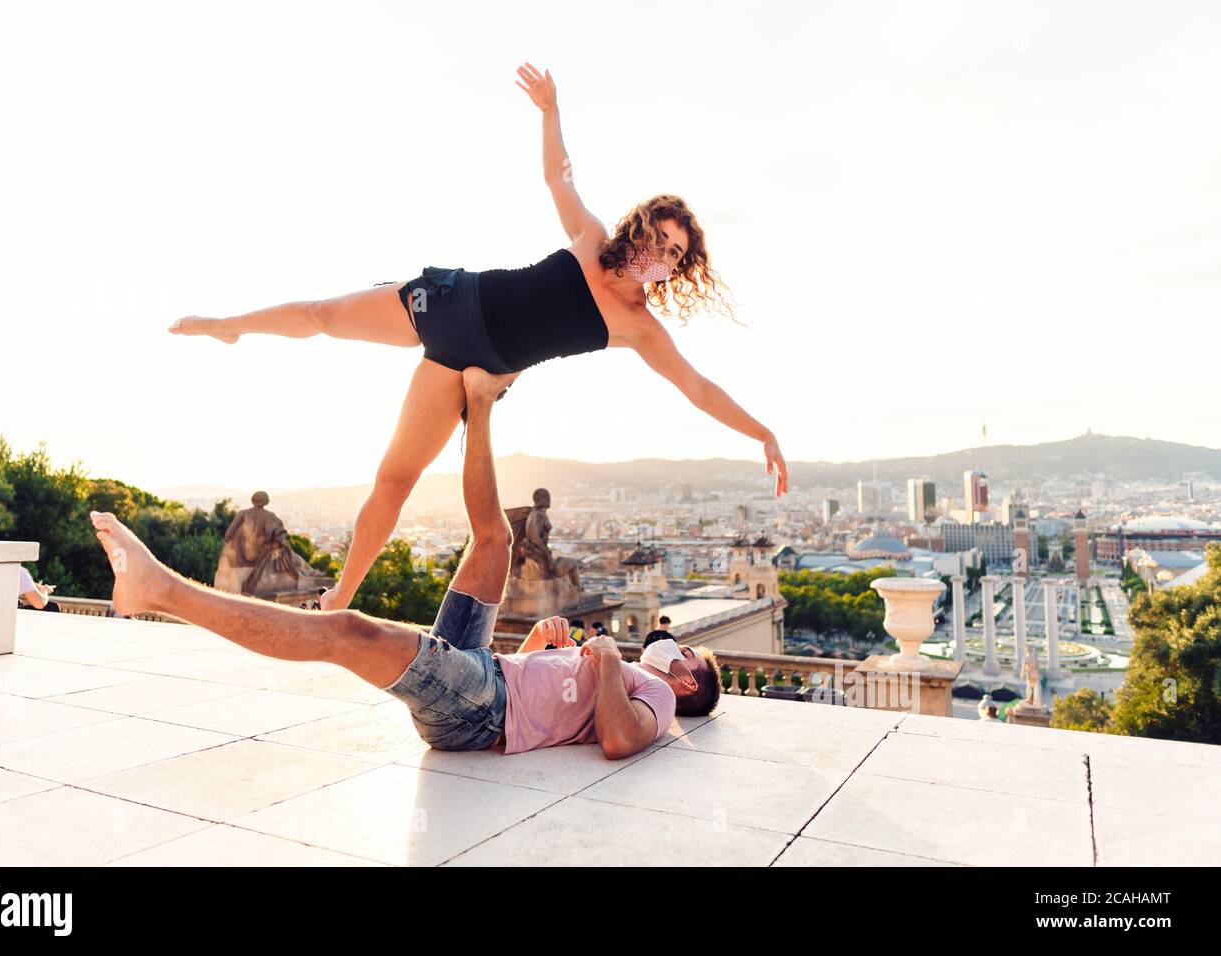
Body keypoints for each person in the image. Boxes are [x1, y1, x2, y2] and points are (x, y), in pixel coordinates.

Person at [168, 61, 789, 614]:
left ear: (679, 267)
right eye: (659, 235)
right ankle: (229, 327)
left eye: (676, 253)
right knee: (322, 314)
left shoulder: (640, 329)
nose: (662, 252)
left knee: (395, 479)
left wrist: (761, 431)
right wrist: (551, 111)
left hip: (474, 363)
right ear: (640, 227)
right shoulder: (591, 240)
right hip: (453, 302)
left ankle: (340, 597)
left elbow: (698, 388)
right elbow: (558, 178)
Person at [88, 369, 721, 758]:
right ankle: (481, 404)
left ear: (690, 684)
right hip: (492, 674)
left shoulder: (660, 699)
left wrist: (609, 657)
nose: (676, 649)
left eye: (689, 656)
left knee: (347, 633)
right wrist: (542, 645)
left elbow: (618, 739)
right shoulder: (633, 677)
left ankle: (164, 592)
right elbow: (555, 700)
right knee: (493, 542)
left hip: (481, 711)